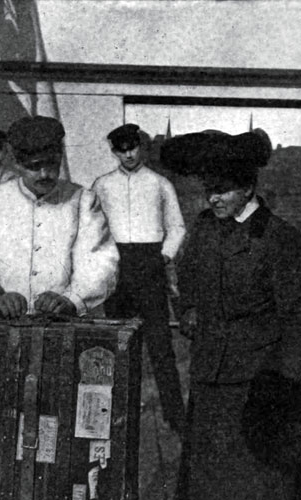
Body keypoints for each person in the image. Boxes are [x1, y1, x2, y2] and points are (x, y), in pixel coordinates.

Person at [173, 130, 301, 500]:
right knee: (210, 496)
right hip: (210, 382)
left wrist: (287, 389)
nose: (212, 198)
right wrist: (187, 310)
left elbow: (296, 318)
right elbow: (185, 282)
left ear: (248, 188)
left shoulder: (281, 239)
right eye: (208, 189)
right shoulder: (205, 229)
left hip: (259, 388)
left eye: (223, 190)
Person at [0, 116, 119, 319]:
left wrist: (72, 300)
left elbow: (100, 262)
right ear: (17, 164)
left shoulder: (83, 200)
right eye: (34, 166)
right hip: (1, 323)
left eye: (52, 164)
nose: (44, 174)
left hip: (68, 322)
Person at [92, 123, 186, 433]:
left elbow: (177, 227)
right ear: (113, 151)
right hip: (117, 268)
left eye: (133, 147)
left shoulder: (160, 184)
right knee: (117, 344)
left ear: (141, 147)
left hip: (150, 265)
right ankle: (115, 413)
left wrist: (163, 257)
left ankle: (175, 415)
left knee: (160, 345)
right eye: (122, 149)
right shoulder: (102, 185)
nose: (129, 154)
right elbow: (91, 228)